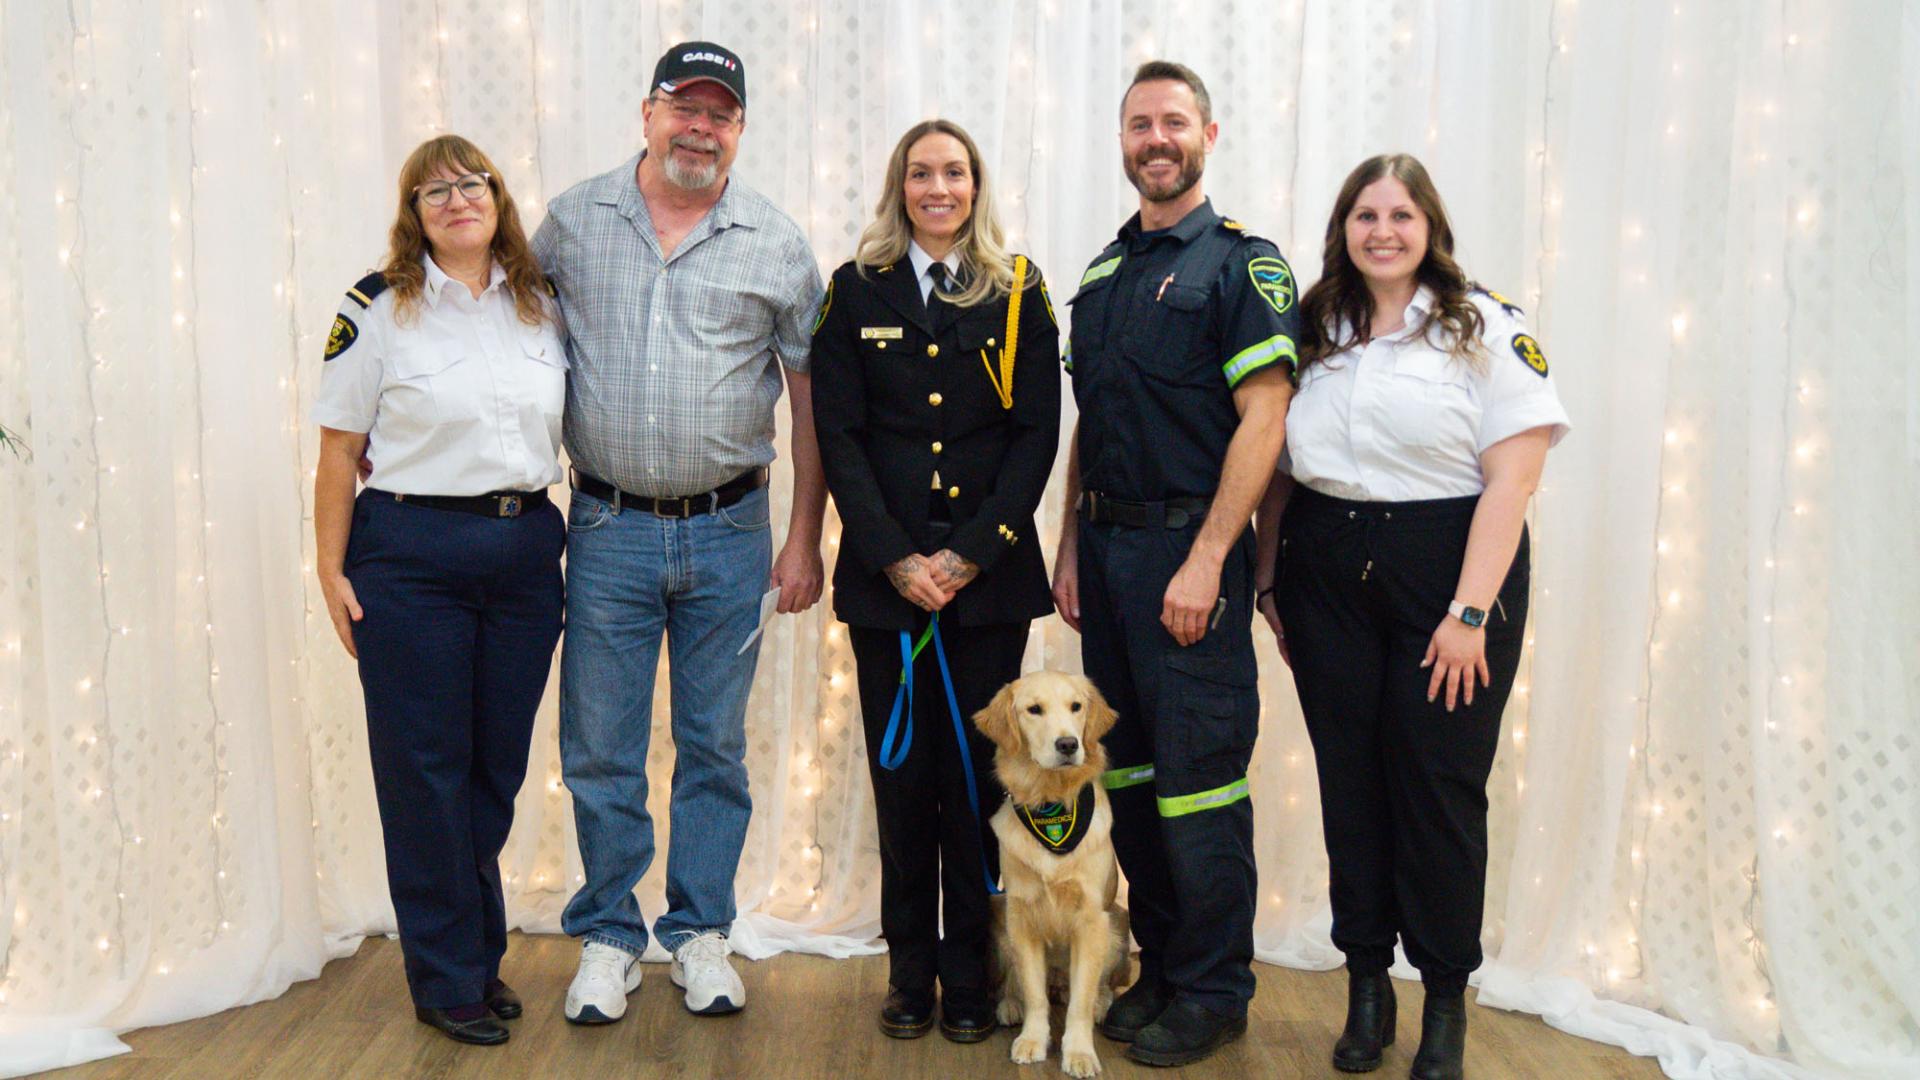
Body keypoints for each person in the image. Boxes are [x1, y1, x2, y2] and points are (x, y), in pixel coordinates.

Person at [1254, 153, 1570, 1080]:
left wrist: (1469, 612)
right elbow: (1280, 467)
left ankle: (1442, 999)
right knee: (1350, 786)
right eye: (1364, 215)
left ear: (1429, 225)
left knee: (1435, 790)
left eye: (1399, 214)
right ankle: (1364, 986)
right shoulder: (1314, 327)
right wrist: (1271, 581)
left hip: (1452, 574)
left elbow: (1513, 480)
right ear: (1342, 229)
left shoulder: (1485, 326)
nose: (1382, 231)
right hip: (1323, 573)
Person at [531, 41, 827, 1024]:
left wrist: (803, 539)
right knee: (601, 750)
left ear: (738, 130)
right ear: (647, 113)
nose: (700, 128)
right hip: (607, 527)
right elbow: (504, 338)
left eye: (720, 114)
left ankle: (699, 933)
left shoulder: (777, 246)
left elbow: (811, 403)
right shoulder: (572, 224)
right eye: (683, 107)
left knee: (712, 749)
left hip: (731, 531)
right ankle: (609, 937)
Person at [1050, 60, 1300, 1067]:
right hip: (1105, 552)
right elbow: (1090, 423)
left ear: (1207, 134)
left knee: (1198, 780)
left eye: (1173, 122)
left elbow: (1266, 416)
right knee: (1138, 775)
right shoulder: (1102, 278)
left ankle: (1213, 988)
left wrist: (1206, 561)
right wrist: (1069, 539)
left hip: (1186, 549)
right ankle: (1159, 968)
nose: (1156, 139)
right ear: (1122, 142)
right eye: (1139, 124)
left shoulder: (1242, 265)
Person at [313, 135, 566, 1046]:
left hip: (526, 550)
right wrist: (331, 570)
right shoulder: (378, 307)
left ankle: (476, 951)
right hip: (411, 553)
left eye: (471, 185)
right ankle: (445, 974)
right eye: (434, 193)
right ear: (412, 214)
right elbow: (340, 450)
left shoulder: (540, 304)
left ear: (497, 196)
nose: (457, 201)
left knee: (492, 768)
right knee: (424, 772)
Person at [811, 119, 1060, 1043]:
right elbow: (839, 436)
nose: (938, 188)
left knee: (981, 788)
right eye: (922, 173)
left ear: (976, 184)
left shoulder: (1019, 290)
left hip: (985, 585)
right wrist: (893, 556)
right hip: (890, 587)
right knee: (903, 782)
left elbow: (1037, 433)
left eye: (954, 172)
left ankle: (971, 977)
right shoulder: (856, 289)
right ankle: (909, 974)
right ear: (899, 186)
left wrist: (971, 553)